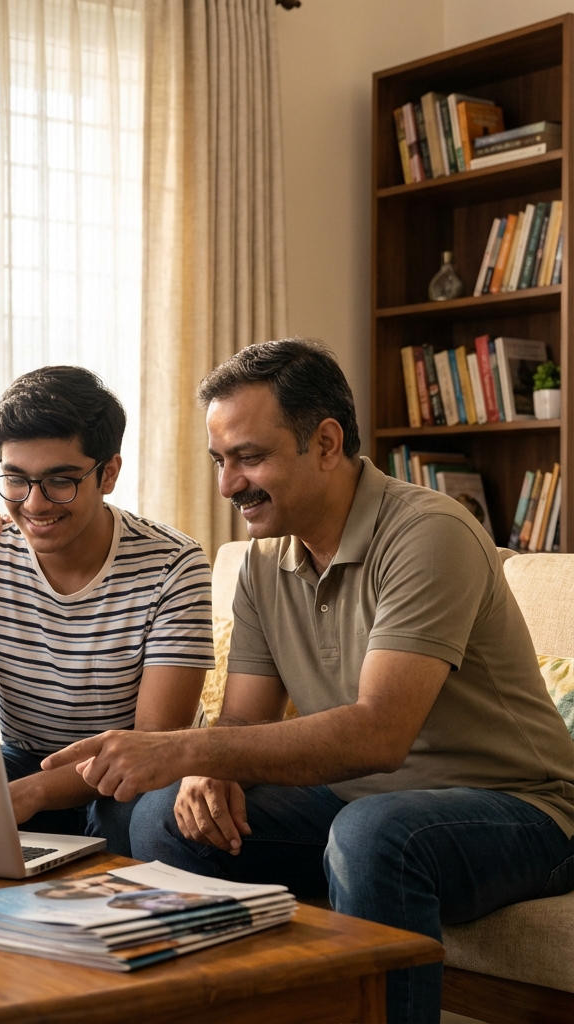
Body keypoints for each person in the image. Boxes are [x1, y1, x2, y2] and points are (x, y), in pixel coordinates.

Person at [42, 339, 574, 1023]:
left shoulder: (427, 533)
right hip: (359, 801)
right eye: (220, 461)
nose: (228, 484)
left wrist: (187, 750)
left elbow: (380, 732)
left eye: (250, 457)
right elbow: (242, 723)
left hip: (524, 810)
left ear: (325, 442)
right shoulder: (263, 565)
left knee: (375, 834)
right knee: (166, 819)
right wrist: (209, 770)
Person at [0, 366, 214, 855]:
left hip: (136, 774)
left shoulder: (173, 565)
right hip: (20, 759)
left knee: (137, 815)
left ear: (109, 473)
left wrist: (33, 793)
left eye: (60, 481)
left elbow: (153, 743)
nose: (34, 504)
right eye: (15, 479)